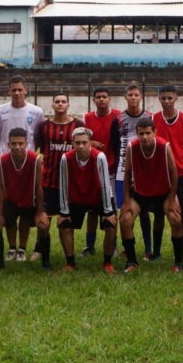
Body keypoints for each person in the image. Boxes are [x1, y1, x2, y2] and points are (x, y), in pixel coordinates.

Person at [119, 118, 183, 273]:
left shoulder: (163, 146)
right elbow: (127, 174)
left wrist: (172, 198)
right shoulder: (131, 147)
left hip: (163, 193)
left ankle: (179, 263)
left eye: (148, 133)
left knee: (176, 219)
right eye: (141, 133)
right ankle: (131, 262)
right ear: (136, 133)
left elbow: (174, 172)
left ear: (154, 132)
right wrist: (126, 201)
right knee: (125, 220)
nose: (144, 137)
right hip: (140, 193)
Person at [0, 75, 45, 261]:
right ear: (8, 91)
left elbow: (38, 137)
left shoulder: (36, 111)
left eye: (19, 89)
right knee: (8, 204)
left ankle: (22, 248)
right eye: (13, 89)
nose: (16, 93)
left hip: (28, 165)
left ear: (26, 90)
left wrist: (32, 158)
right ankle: (11, 248)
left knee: (25, 207)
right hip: (5, 165)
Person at [32, 92, 84, 265]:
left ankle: (69, 253)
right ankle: (39, 249)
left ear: (69, 105)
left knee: (68, 220)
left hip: (71, 183)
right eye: (57, 102)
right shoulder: (44, 126)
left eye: (63, 101)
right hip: (49, 180)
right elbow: (39, 147)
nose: (60, 104)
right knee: (44, 218)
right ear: (52, 105)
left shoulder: (78, 125)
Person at [0, 128, 50, 273]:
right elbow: (0, 188)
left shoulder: (35, 159)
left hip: (31, 200)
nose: (17, 147)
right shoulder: (2, 160)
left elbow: (39, 188)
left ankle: (45, 263)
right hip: (11, 200)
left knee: (43, 225)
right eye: (14, 143)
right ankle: (1, 262)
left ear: (27, 144)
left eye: (20, 143)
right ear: (8, 144)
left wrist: (40, 212)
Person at [58, 127, 117, 271]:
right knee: (64, 226)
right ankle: (70, 264)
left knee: (111, 225)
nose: (81, 146)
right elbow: (63, 185)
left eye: (84, 142)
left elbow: (105, 184)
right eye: (77, 143)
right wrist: (64, 212)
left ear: (90, 143)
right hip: (77, 197)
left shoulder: (99, 157)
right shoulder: (66, 158)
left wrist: (108, 212)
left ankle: (107, 263)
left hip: (99, 197)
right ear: (72, 144)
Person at [153, 84, 183, 262]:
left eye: (169, 98)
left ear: (176, 98)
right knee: (158, 213)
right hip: (159, 175)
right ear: (159, 99)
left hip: (181, 173)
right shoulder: (154, 119)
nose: (166, 101)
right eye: (163, 98)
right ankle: (156, 252)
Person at [116, 84, 158, 261]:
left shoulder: (150, 117)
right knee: (125, 210)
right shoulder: (118, 118)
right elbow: (114, 143)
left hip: (143, 171)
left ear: (141, 96)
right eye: (130, 95)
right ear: (125, 97)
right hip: (122, 170)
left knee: (144, 211)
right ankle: (127, 247)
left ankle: (148, 248)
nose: (133, 98)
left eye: (136, 95)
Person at [81, 87, 122, 257]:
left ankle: (112, 246)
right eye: (98, 97)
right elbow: (81, 140)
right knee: (92, 210)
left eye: (104, 97)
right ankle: (89, 245)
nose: (102, 100)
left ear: (110, 99)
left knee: (112, 210)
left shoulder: (118, 116)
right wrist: (90, 143)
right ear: (94, 100)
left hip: (113, 170)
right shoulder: (88, 118)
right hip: (93, 171)